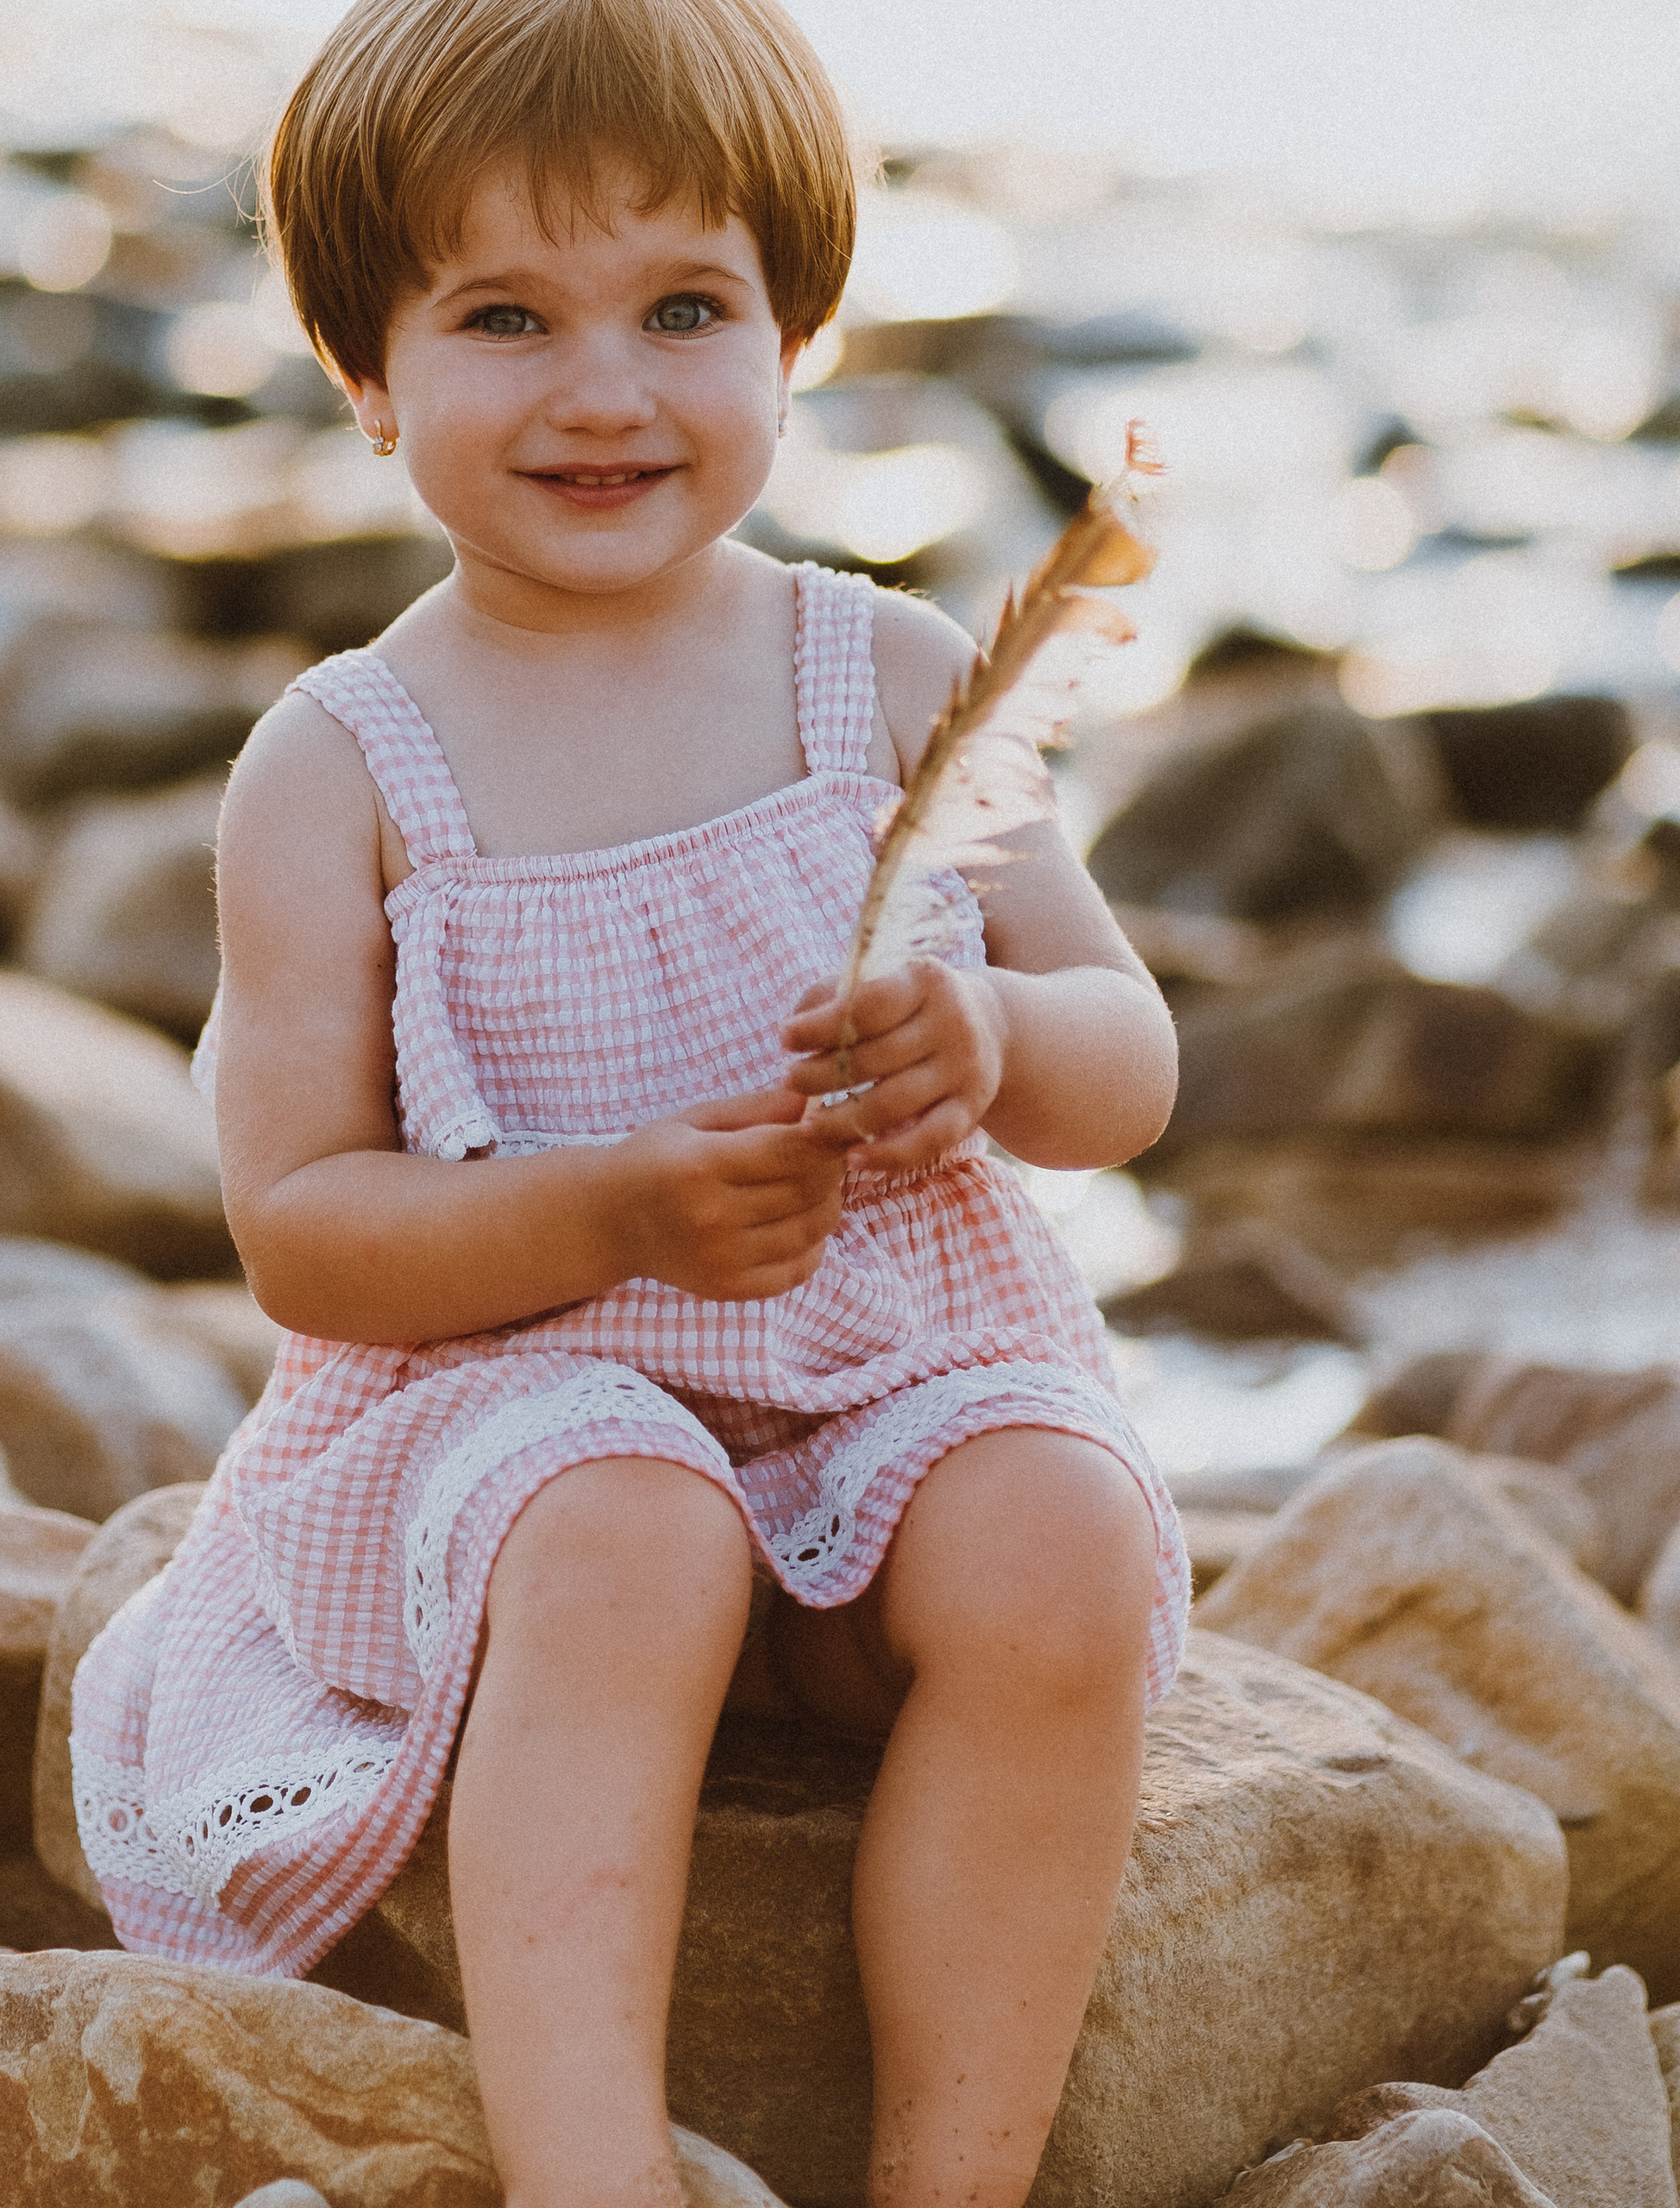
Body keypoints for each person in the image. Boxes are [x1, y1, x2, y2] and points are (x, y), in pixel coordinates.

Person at [70, 3, 1189, 2202]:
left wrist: (992, 1046)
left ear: (795, 333)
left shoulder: (874, 677)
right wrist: (611, 1214)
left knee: (1056, 1532)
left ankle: (945, 2180)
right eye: (505, 315)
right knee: (630, 1527)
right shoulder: (343, 764)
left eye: (684, 307)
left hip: (882, 1367)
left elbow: (1125, 1056)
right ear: (367, 375)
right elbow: (300, 1221)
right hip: (517, 1419)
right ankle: (592, 2175)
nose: (604, 386)